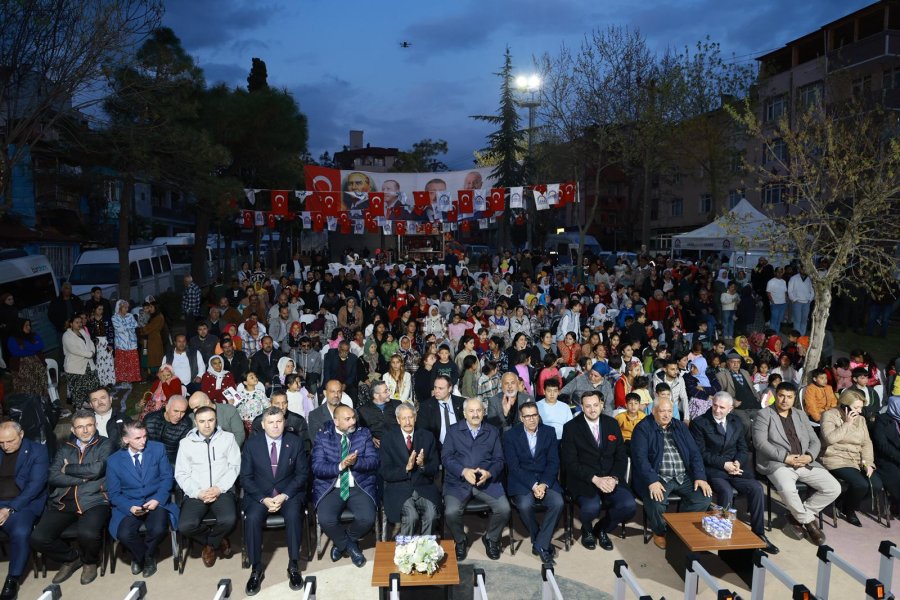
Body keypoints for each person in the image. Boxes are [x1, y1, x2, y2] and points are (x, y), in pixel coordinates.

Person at [752, 382, 841, 546]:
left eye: (789, 397)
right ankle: (809, 523)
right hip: (779, 463)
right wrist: (785, 457)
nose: (785, 400)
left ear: (794, 399)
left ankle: (796, 515)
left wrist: (809, 456)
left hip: (804, 461)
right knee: (787, 489)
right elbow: (760, 443)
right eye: (781, 396)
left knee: (834, 488)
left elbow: (815, 440)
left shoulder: (800, 415)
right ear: (775, 395)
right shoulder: (764, 414)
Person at [30, 410, 113, 585]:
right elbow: (52, 476)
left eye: (89, 425)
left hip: (94, 499)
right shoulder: (65, 447)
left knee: (88, 534)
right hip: (63, 501)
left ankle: (90, 561)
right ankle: (71, 558)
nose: (85, 430)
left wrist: (68, 469)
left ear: (96, 425)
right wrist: (83, 477)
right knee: (38, 538)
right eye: (80, 427)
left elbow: (97, 469)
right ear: (73, 430)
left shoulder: (105, 444)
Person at [690, 392, 779, 553]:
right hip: (714, 469)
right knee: (726, 491)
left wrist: (738, 461)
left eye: (722, 407)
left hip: (736, 469)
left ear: (730, 409)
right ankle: (723, 536)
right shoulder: (700, 423)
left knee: (756, 488)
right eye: (715, 405)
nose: (717, 410)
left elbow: (743, 448)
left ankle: (759, 534)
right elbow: (700, 453)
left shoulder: (736, 422)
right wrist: (724, 464)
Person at [240, 407, 309, 595]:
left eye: (279, 421)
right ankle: (256, 569)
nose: (275, 426)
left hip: (288, 493)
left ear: (284, 422)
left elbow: (302, 474)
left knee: (294, 515)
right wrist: (263, 499)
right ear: (263, 425)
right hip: (260, 495)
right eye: (270, 422)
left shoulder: (295, 442)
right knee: (252, 518)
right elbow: (245, 478)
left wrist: (284, 495)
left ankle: (294, 565)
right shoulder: (251, 445)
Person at [630, 398, 713, 549]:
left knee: (703, 498)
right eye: (662, 411)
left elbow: (694, 453)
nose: (667, 415)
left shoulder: (679, 426)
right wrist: (652, 480)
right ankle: (660, 532)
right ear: (654, 411)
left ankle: (679, 528)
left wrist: (700, 477)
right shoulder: (643, 428)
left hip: (683, 475)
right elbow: (639, 458)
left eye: (669, 411)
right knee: (656, 501)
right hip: (658, 476)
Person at [560, 392, 635, 553]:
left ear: (601, 404)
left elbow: (621, 456)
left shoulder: (612, 423)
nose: (592, 410)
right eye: (588, 406)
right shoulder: (571, 428)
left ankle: (601, 529)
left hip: (611, 478)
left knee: (628, 505)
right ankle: (587, 529)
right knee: (591, 508)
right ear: (582, 407)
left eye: (595, 405)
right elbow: (570, 463)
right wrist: (595, 479)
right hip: (585, 480)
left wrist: (614, 478)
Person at [106, 421, 179, 578]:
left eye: (145, 436)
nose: (143, 441)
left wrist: (158, 499)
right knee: (124, 534)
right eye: (138, 438)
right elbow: (114, 494)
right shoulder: (114, 461)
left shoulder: (157, 449)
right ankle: (146, 556)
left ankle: (143, 557)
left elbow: (167, 478)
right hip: (130, 503)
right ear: (126, 440)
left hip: (155, 499)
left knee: (159, 529)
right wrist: (130, 507)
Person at [442, 397, 511, 562]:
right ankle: (460, 540)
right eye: (471, 411)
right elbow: (446, 457)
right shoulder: (453, 430)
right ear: (464, 414)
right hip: (458, 482)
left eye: (478, 410)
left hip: (485, 482)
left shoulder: (492, 431)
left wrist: (489, 473)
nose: (475, 414)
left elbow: (499, 460)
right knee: (451, 512)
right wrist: (463, 471)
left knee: (504, 509)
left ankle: (491, 539)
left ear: (484, 412)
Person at [312, 404, 378, 568]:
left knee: (367, 518)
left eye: (353, 417)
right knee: (326, 519)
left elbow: (374, 461)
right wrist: (340, 466)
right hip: (331, 486)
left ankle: (341, 543)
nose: (353, 422)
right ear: (336, 421)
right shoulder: (323, 436)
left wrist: (356, 463)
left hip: (358, 484)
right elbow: (317, 467)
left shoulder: (363, 434)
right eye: (347, 419)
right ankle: (350, 547)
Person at [175, 405, 240, 568]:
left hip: (222, 491)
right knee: (184, 526)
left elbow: (235, 467)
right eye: (202, 421)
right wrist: (197, 492)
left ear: (215, 420)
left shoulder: (228, 438)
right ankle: (216, 540)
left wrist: (219, 488)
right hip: (197, 492)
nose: (207, 425)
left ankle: (210, 545)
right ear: (195, 422)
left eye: (210, 420)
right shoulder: (185, 443)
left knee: (229, 519)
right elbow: (181, 474)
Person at [505, 401, 565, 563]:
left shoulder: (549, 432)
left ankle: (540, 543)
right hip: (522, 480)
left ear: (539, 416)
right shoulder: (510, 435)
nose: (532, 419)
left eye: (534, 415)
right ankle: (541, 539)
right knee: (524, 505)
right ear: (521, 418)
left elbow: (554, 462)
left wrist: (544, 484)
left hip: (546, 478)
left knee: (558, 502)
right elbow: (514, 467)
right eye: (527, 416)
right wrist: (533, 485)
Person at [820, 389, 883, 527]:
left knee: (876, 485)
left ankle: (843, 502)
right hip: (835, 457)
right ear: (844, 405)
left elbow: (866, 443)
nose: (860, 411)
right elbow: (830, 439)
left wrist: (869, 463)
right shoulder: (829, 415)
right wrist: (847, 423)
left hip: (856, 459)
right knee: (860, 484)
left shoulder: (860, 419)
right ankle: (850, 511)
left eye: (861, 407)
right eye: (856, 407)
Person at [0, 421, 49, 600]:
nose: (5, 446)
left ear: (21, 435)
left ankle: (12, 579)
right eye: (1, 443)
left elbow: (34, 487)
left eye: (10, 441)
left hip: (24, 503)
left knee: (21, 532)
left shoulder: (38, 451)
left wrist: (9, 509)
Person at [379, 403, 441, 536]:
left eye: (410, 417)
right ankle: (406, 552)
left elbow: (435, 468)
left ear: (415, 417)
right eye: (403, 418)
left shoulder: (427, 436)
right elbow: (385, 471)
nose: (407, 422)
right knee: (411, 517)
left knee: (431, 514)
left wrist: (423, 465)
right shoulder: (388, 439)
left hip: (423, 487)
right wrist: (406, 469)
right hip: (398, 489)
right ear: (397, 420)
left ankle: (426, 551)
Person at [715, 351, 761, 434]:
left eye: (738, 362)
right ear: (728, 363)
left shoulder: (745, 372)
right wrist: (732, 401)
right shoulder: (721, 375)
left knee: (763, 421)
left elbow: (752, 388)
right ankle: (747, 445)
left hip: (754, 405)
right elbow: (721, 393)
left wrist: (758, 398)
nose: (736, 365)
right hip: (739, 407)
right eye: (733, 362)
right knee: (747, 424)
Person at [416, 375, 465, 449]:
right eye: (435, 387)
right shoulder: (426, 406)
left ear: (450, 388)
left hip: (460, 447)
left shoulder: (462, 403)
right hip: (437, 449)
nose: (436, 391)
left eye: (440, 388)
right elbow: (422, 431)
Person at [62, 314, 99, 410]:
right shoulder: (67, 335)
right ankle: (79, 407)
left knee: (93, 383)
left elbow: (90, 342)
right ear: (71, 324)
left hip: (88, 364)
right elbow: (73, 349)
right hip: (75, 366)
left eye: (80, 322)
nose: (79, 324)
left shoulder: (83, 332)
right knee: (78, 388)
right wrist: (89, 354)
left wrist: (92, 352)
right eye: (77, 322)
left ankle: (87, 402)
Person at [872, 395, 900, 516]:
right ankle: (896, 505)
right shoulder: (882, 420)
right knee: (896, 477)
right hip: (887, 459)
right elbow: (882, 445)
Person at [143, 395, 191, 465]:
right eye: (176, 411)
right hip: (150, 459)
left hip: (171, 462)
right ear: (167, 407)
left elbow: (183, 452)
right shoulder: (150, 419)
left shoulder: (186, 425)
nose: (179, 416)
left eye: (183, 412)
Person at [6, 319, 47, 399]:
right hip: (22, 372)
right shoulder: (12, 339)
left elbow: (41, 345)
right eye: (26, 326)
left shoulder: (34, 335)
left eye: (29, 325)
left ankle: (42, 404)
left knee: (41, 387)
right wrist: (33, 349)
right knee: (27, 390)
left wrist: (25, 347)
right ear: (19, 327)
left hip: (38, 370)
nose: (29, 327)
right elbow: (16, 353)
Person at [358, 381, 400, 449]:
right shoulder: (363, 410)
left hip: (397, 443)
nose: (389, 393)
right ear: (376, 395)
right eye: (385, 391)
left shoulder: (397, 404)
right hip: (377, 446)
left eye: (388, 390)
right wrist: (371, 438)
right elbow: (361, 431)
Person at [112, 300, 142, 385]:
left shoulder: (130, 315)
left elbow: (136, 324)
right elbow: (119, 329)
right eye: (125, 307)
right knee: (122, 363)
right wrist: (128, 326)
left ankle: (132, 379)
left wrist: (125, 326)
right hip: (121, 344)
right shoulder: (114, 317)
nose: (127, 309)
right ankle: (123, 380)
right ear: (120, 308)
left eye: (127, 307)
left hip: (132, 343)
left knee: (132, 362)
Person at [787, 266, 814, 336]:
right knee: (797, 320)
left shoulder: (810, 279)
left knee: (804, 320)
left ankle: (802, 336)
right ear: (799, 269)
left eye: (805, 269)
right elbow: (789, 290)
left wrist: (810, 299)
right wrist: (794, 299)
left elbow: (812, 290)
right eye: (802, 269)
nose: (804, 270)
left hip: (806, 303)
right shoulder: (794, 278)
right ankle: (796, 336)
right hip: (797, 302)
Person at [766, 268, 787, 332]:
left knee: (779, 321)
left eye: (781, 272)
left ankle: (776, 335)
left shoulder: (784, 281)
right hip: (775, 304)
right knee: (774, 321)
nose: (779, 273)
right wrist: (773, 302)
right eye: (778, 272)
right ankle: (772, 336)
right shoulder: (771, 281)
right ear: (775, 272)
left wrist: (785, 301)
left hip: (783, 304)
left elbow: (785, 292)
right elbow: (768, 293)